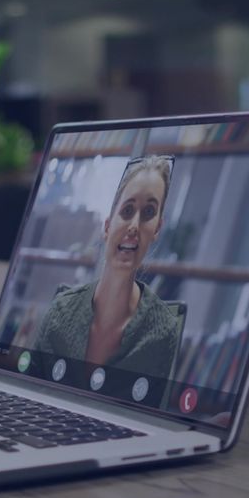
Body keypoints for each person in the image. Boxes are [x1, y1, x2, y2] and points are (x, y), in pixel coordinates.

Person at [34, 155, 182, 380]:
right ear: (107, 226)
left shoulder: (162, 333)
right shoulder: (60, 312)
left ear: (157, 229)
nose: (134, 226)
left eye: (149, 213)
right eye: (127, 210)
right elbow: (29, 386)